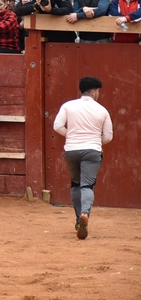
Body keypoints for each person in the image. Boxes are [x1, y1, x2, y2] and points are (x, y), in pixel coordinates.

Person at [53, 76, 113, 240]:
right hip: (92, 150)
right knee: (87, 186)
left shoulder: (68, 106)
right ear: (93, 92)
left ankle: (78, 219)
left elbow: (57, 126)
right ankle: (85, 213)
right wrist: (94, 142)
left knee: (75, 184)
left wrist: (71, 136)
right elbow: (108, 136)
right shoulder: (102, 110)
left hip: (72, 149)